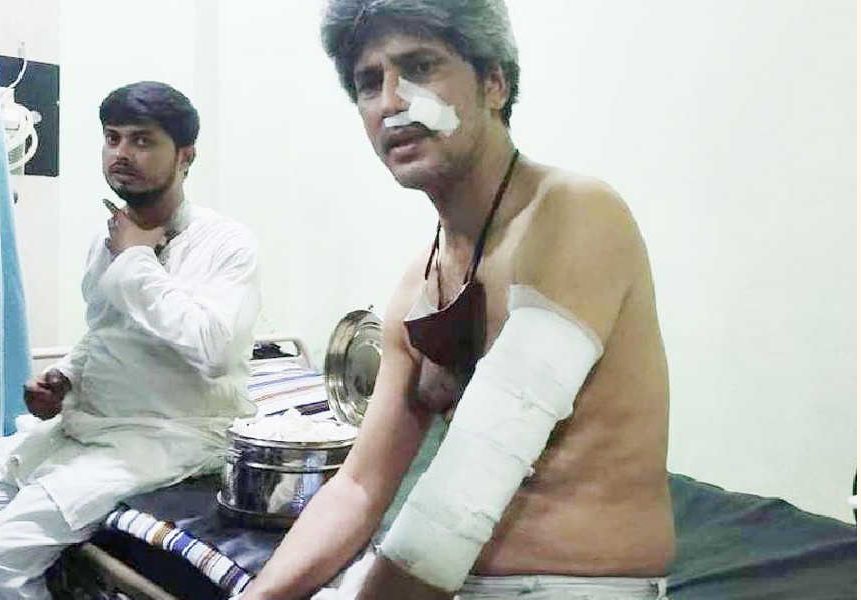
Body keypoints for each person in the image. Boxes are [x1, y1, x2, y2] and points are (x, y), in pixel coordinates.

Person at [242, 1, 674, 598]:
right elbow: (359, 489)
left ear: (495, 83)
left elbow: (458, 501)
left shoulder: (576, 215)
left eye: (420, 67)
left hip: (572, 586)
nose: (392, 102)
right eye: (369, 83)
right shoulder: (416, 289)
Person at [0, 81, 263, 600]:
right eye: (112, 138)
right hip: (88, 424)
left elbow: (213, 349)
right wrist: (65, 376)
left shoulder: (227, 243)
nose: (121, 153)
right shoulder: (107, 239)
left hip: (167, 436)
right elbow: (105, 331)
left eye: (142, 141)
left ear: (185, 155)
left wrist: (135, 258)